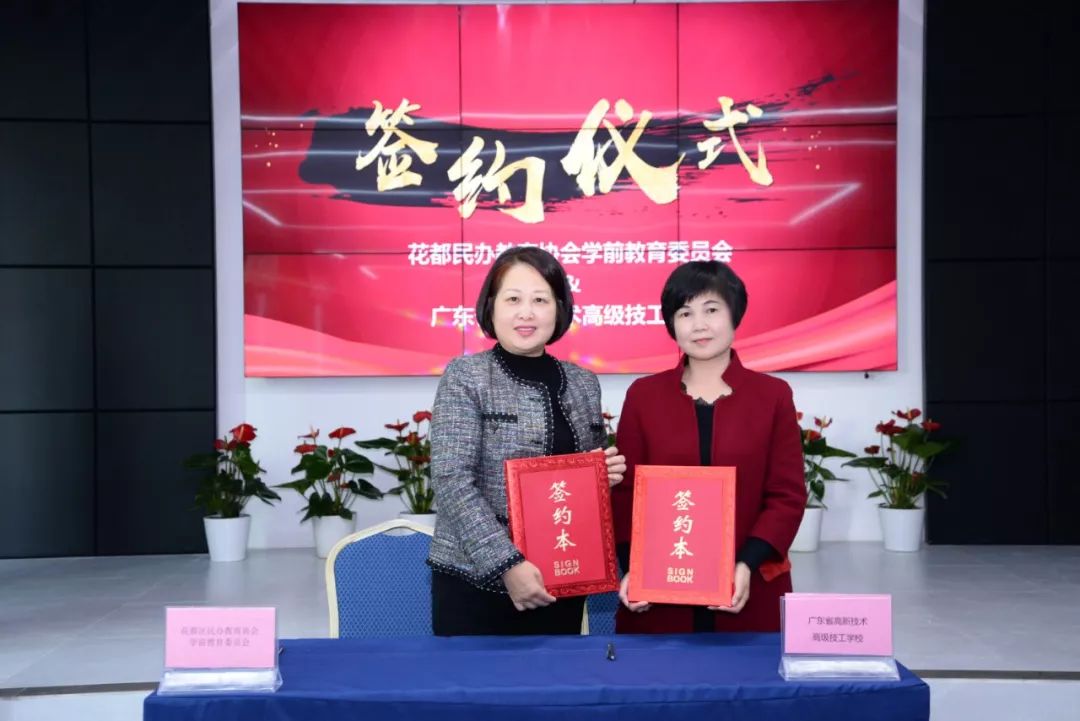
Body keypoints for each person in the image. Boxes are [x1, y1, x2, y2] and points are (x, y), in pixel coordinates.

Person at [427, 247, 627, 636]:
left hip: (561, 579)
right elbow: (451, 480)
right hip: (475, 583)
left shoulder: (584, 383)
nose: (526, 313)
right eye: (513, 299)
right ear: (491, 307)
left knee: (555, 676)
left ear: (559, 309)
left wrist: (602, 477)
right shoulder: (467, 376)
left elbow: (576, 484)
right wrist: (507, 565)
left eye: (540, 300)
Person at [612, 260, 805, 633]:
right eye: (685, 313)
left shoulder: (772, 395)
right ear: (672, 324)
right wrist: (634, 567)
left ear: (735, 314)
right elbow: (624, 493)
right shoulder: (644, 395)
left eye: (711, 310)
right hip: (660, 593)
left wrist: (747, 563)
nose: (699, 324)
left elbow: (787, 495)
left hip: (748, 585)